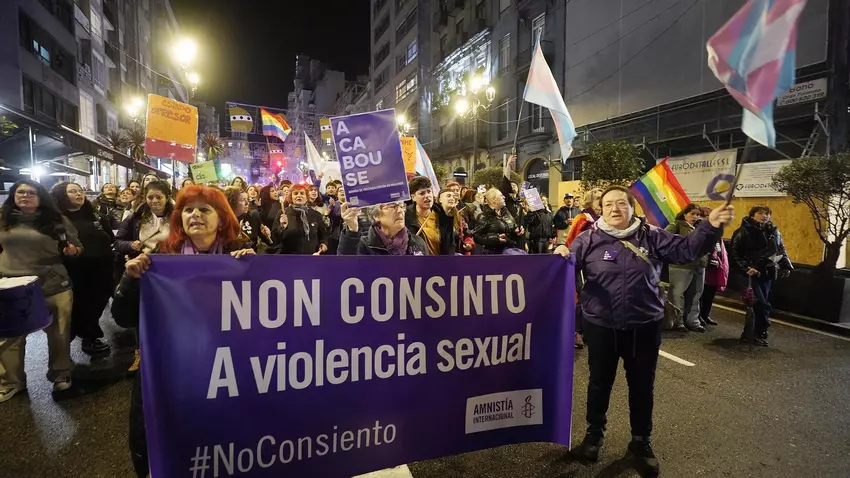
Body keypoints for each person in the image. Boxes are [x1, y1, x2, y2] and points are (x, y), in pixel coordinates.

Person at [555, 186, 734, 477]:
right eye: (608, 204)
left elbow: (687, 250)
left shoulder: (652, 236)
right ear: (600, 209)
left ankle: (640, 443)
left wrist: (711, 226)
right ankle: (593, 437)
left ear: (632, 207)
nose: (615, 209)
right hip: (601, 326)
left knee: (642, 387)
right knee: (599, 384)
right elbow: (566, 269)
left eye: (621, 204)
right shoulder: (587, 239)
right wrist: (561, 253)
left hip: (644, 326)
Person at [117, 185, 254, 478]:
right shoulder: (160, 258)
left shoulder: (244, 255)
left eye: (204, 209)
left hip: (229, 369)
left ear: (222, 218)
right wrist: (130, 280)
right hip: (171, 371)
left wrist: (256, 271)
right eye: (188, 210)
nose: (195, 215)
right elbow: (123, 318)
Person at [0, 180, 82, 403]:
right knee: (9, 337)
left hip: (52, 284)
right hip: (11, 287)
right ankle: (11, 381)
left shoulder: (56, 220)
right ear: (13, 195)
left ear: (40, 197)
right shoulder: (3, 219)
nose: (25, 196)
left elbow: (77, 247)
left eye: (31, 193)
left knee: (59, 334)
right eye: (21, 192)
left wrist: (73, 250)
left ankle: (61, 374)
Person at [114, 180, 173, 374]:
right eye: (150, 197)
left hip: (169, 272)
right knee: (142, 313)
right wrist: (131, 245)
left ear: (167, 197)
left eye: (159, 197)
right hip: (144, 270)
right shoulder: (136, 216)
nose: (154, 201)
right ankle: (140, 352)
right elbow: (118, 242)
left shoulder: (177, 216)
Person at [51, 181, 115, 356]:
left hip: (102, 269)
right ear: (61, 195)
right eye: (73, 191)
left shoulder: (94, 215)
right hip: (75, 271)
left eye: (80, 191)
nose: (79, 194)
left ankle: (88, 335)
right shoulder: (55, 220)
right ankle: (78, 340)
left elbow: (109, 236)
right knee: (79, 307)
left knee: (97, 303)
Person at [730, 205, 793, 347]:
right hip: (750, 274)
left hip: (767, 272)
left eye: (767, 214)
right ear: (753, 215)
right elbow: (734, 253)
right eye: (760, 213)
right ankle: (755, 332)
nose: (764, 216)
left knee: (762, 303)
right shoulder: (742, 232)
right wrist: (746, 268)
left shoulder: (773, 231)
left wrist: (786, 265)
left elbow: (780, 249)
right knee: (758, 303)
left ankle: (755, 333)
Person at [666, 204, 709, 333]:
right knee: (677, 295)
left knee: (696, 294)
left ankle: (693, 321)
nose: (695, 217)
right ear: (684, 214)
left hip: (699, 265)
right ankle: (677, 321)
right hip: (681, 266)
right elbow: (665, 241)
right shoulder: (676, 225)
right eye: (692, 213)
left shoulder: (699, 228)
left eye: (697, 214)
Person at [338, 201, 428, 255]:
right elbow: (345, 268)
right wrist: (352, 229)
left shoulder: (417, 242)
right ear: (376, 216)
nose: (400, 210)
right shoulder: (363, 245)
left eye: (401, 205)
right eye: (392, 206)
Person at [405, 177, 459, 255]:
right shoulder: (405, 217)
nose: (427, 196)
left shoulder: (442, 215)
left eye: (429, 191)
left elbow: (450, 247)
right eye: (422, 193)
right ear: (413, 197)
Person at [272, 183, 329, 255]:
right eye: (295, 193)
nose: (299, 195)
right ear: (291, 197)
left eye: (302, 193)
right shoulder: (283, 213)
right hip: (288, 257)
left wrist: (323, 243)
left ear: (306, 197)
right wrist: (281, 227)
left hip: (311, 257)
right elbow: (274, 238)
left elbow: (323, 235)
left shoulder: (315, 214)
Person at [473, 188, 523, 255]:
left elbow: (513, 228)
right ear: (493, 199)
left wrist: (517, 231)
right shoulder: (483, 216)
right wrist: (495, 238)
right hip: (492, 254)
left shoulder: (506, 213)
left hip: (509, 251)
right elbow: (477, 237)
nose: (504, 197)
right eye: (501, 195)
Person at [700, 208, 726, 327]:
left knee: (710, 293)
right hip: (704, 267)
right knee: (700, 294)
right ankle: (697, 316)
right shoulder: (700, 232)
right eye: (704, 216)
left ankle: (705, 315)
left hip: (715, 268)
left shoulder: (716, 233)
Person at [224, 186, 271, 252]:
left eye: (247, 199)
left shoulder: (253, 216)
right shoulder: (223, 222)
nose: (247, 203)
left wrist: (267, 235)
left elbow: (270, 242)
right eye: (242, 200)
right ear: (232, 202)